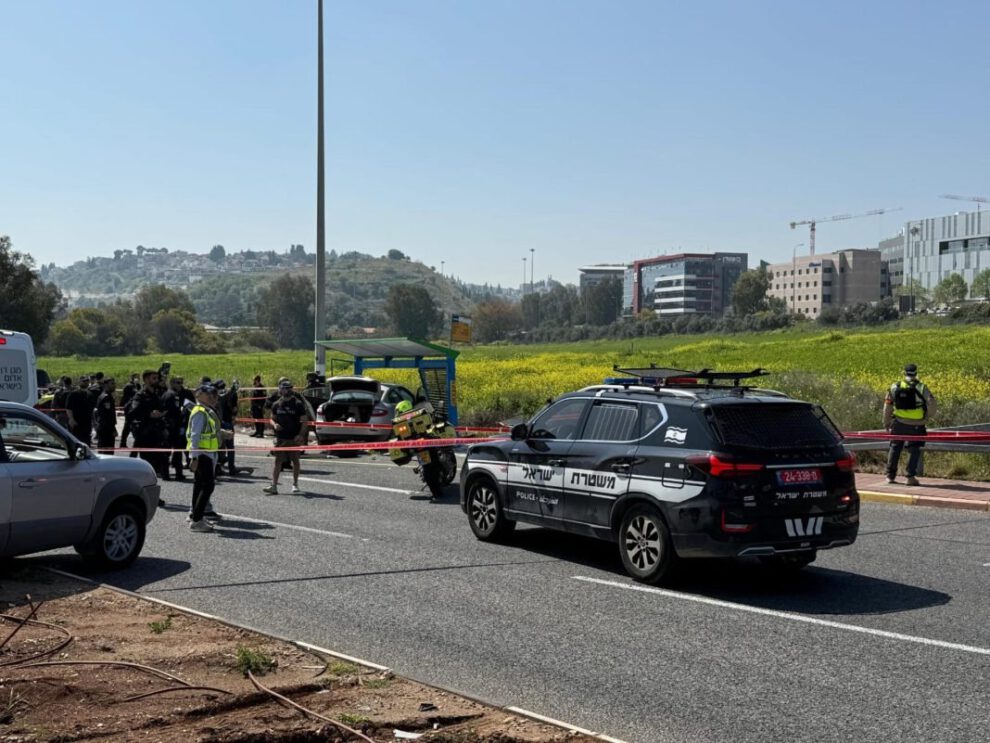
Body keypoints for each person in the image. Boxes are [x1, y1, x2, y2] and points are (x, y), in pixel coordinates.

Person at [883, 363, 937, 486]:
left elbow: (887, 406)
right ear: (916, 373)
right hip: (917, 424)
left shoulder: (894, 386)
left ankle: (890, 476)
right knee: (914, 449)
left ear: (904, 373)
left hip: (899, 422)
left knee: (895, 447)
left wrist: (886, 423)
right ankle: (910, 477)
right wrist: (926, 417)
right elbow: (932, 404)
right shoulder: (922, 387)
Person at [186, 384, 223, 532]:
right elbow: (195, 436)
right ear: (201, 395)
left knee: (200, 485)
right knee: (208, 485)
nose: (213, 398)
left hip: (206, 452)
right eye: (210, 395)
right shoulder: (200, 412)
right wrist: (193, 458)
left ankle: (195, 515)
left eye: (214, 395)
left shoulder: (205, 411)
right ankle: (196, 520)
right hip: (202, 454)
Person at [263, 379, 309, 495]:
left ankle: (295, 484)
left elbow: (304, 421)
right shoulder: (276, 404)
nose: (287, 390)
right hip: (280, 438)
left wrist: (301, 435)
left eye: (289, 388)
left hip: (293, 438)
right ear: (280, 390)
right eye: (285, 388)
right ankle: (274, 485)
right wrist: (274, 424)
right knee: (277, 461)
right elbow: (271, 418)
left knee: (295, 461)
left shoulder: (298, 404)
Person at [126, 369, 169, 479]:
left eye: (156, 378)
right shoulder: (140, 396)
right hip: (146, 435)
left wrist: (162, 413)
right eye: (153, 378)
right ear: (145, 380)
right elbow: (132, 412)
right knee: (148, 465)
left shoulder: (156, 394)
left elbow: (162, 407)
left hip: (158, 433)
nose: (156, 380)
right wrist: (148, 414)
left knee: (159, 465)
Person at [65, 375, 94, 444]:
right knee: (77, 441)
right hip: (77, 422)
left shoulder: (90, 394)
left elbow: (92, 409)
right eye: (84, 381)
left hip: (87, 423)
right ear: (80, 382)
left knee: (87, 442)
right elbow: (68, 408)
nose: (86, 383)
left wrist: (93, 421)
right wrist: (71, 419)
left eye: (87, 381)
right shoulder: (73, 394)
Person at [94, 377, 118, 454]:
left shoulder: (105, 396)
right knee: (107, 452)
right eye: (112, 384)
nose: (114, 386)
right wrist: (112, 429)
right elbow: (107, 416)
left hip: (105, 427)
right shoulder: (106, 397)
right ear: (106, 385)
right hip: (106, 428)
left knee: (103, 450)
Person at [118, 373, 140, 450]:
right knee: (127, 425)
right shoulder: (128, 386)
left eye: (138, 377)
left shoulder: (138, 386)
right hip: (129, 407)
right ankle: (122, 442)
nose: (137, 379)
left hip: (136, 408)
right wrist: (121, 406)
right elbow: (124, 397)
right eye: (136, 377)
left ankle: (137, 442)